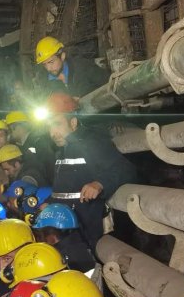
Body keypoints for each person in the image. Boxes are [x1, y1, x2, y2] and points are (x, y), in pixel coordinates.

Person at [45, 92, 136, 245]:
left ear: (73, 123)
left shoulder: (91, 143)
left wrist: (99, 184)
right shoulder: (63, 150)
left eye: (57, 124)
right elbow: (65, 189)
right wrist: (49, 203)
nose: (52, 133)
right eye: (49, 126)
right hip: (67, 230)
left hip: (85, 234)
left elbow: (125, 169)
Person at [33, 36, 108, 99]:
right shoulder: (43, 82)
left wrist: (84, 100)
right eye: (44, 64)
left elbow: (109, 83)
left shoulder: (82, 67)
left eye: (51, 62)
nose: (48, 68)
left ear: (62, 56)